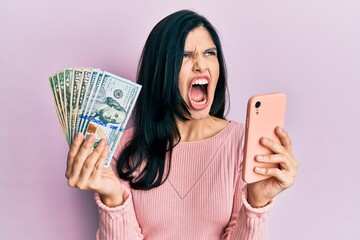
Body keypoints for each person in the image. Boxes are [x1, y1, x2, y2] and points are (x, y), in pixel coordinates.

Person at [65, 9, 298, 240]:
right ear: (162, 70)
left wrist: (256, 203)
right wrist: (112, 198)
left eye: (209, 53)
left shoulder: (241, 144)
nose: (200, 65)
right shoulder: (122, 148)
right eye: (186, 56)